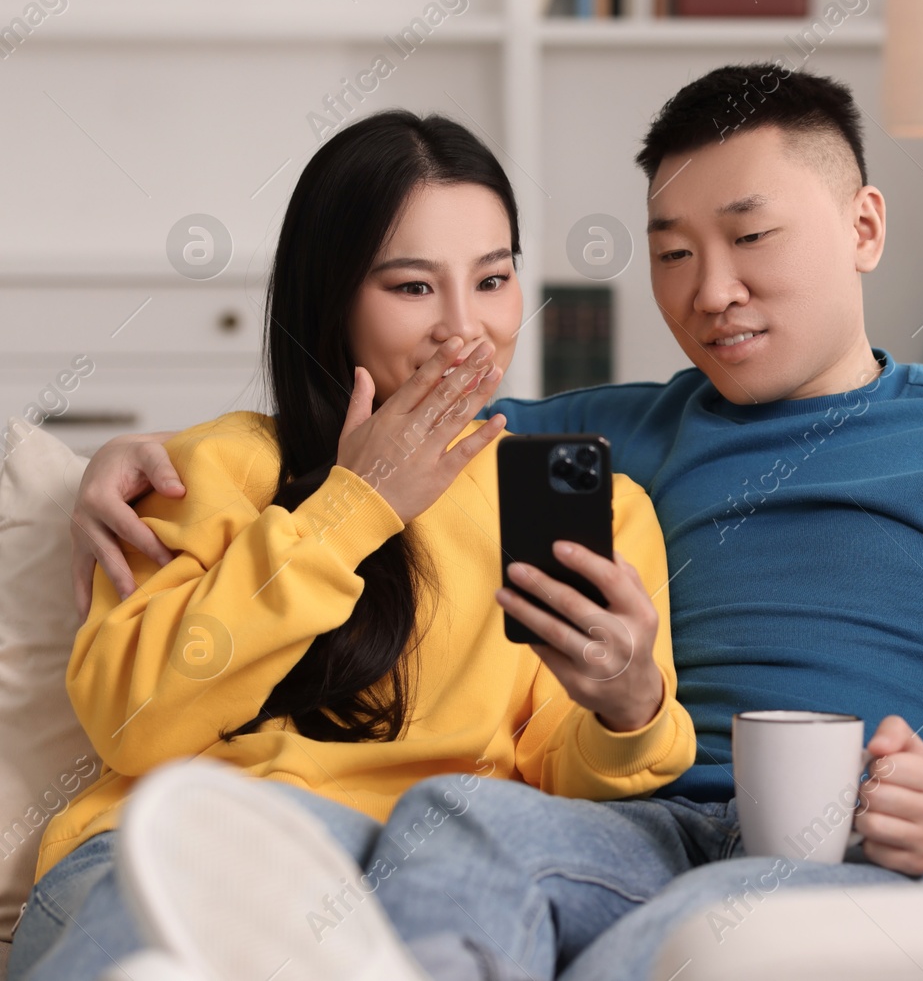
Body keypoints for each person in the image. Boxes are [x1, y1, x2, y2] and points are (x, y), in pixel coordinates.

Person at [69, 66, 923, 981]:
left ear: (863, 224)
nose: (711, 290)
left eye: (751, 238)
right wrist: (106, 463)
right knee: (457, 816)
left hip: (882, 847)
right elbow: (386, 429)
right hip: (646, 825)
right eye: (673, 252)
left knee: (667, 947)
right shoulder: (610, 440)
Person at [13, 111, 695, 981]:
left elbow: (556, 787)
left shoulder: (580, 504)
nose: (465, 328)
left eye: (493, 279)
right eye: (412, 287)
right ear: (330, 299)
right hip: (172, 848)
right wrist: (356, 506)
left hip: (406, 877)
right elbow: (133, 722)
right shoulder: (217, 464)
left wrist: (627, 706)